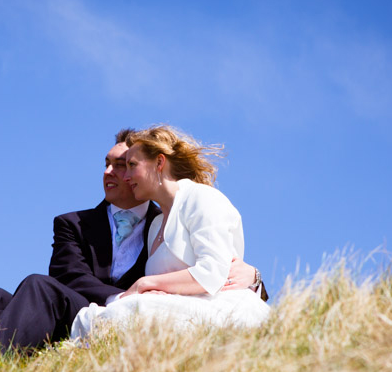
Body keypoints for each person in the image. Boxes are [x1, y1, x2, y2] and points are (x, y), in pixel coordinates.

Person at [0, 129, 264, 354]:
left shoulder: (170, 215)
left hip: (130, 314)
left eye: (125, 165)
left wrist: (255, 278)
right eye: (107, 163)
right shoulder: (73, 223)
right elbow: (69, 277)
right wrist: (127, 297)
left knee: (37, 287)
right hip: (88, 307)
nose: (113, 173)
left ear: (157, 164)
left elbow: (220, 269)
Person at [71, 126, 270, 338]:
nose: (126, 176)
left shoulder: (202, 198)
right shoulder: (156, 224)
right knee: (94, 317)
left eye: (132, 165)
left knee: (115, 314)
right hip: (171, 308)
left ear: (159, 162)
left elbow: (212, 274)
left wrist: (146, 283)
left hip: (216, 307)